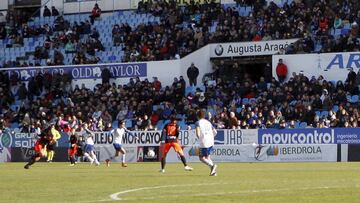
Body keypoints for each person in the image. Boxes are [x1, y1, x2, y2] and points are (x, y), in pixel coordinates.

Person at [195, 110, 217, 176]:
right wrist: (210, 136)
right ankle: (213, 172)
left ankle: (212, 165)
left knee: (201, 158)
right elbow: (215, 132)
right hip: (211, 141)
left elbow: (198, 133)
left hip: (204, 142)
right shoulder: (208, 122)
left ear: (197, 116)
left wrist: (198, 138)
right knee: (208, 157)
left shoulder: (197, 122)